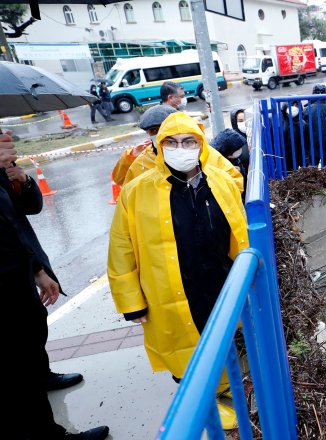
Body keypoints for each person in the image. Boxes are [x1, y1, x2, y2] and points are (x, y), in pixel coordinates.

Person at [107, 113, 248, 431]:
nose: (179, 148)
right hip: (168, 287)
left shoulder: (220, 181)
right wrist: (132, 303)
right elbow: (121, 249)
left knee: (218, 334)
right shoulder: (137, 191)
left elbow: (238, 230)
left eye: (188, 141)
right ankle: (201, 399)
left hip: (216, 278)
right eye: (170, 142)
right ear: (159, 145)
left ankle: (222, 390)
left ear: (200, 145)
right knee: (182, 344)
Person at [2, 133, 109, 440]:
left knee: (33, 335)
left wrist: (21, 179)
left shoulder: (5, 171)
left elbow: (26, 211)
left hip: (19, 272)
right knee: (17, 371)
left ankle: (42, 376)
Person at [110, 105, 244, 192]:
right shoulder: (142, 161)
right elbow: (124, 186)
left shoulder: (201, 152)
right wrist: (130, 156)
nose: (159, 134)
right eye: (153, 131)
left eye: (163, 128)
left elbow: (236, 181)